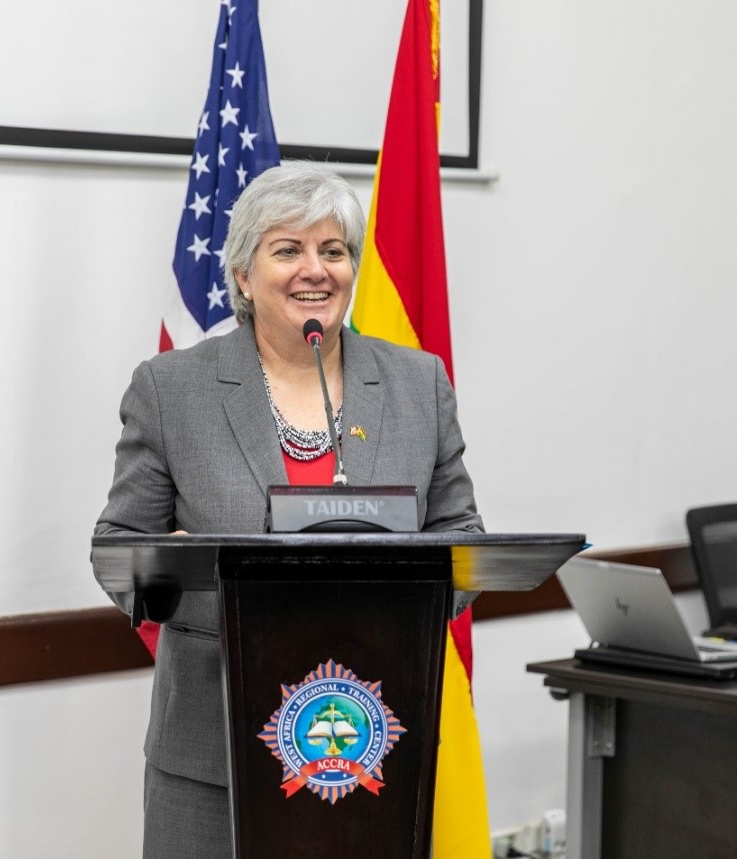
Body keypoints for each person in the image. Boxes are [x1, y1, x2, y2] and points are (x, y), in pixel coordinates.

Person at [95, 161, 483, 858]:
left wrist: (407, 601)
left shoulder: (417, 383)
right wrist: (177, 570)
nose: (316, 270)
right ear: (244, 275)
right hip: (213, 756)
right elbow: (120, 544)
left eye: (333, 250)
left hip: (371, 743)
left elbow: (462, 536)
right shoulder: (172, 389)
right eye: (288, 250)